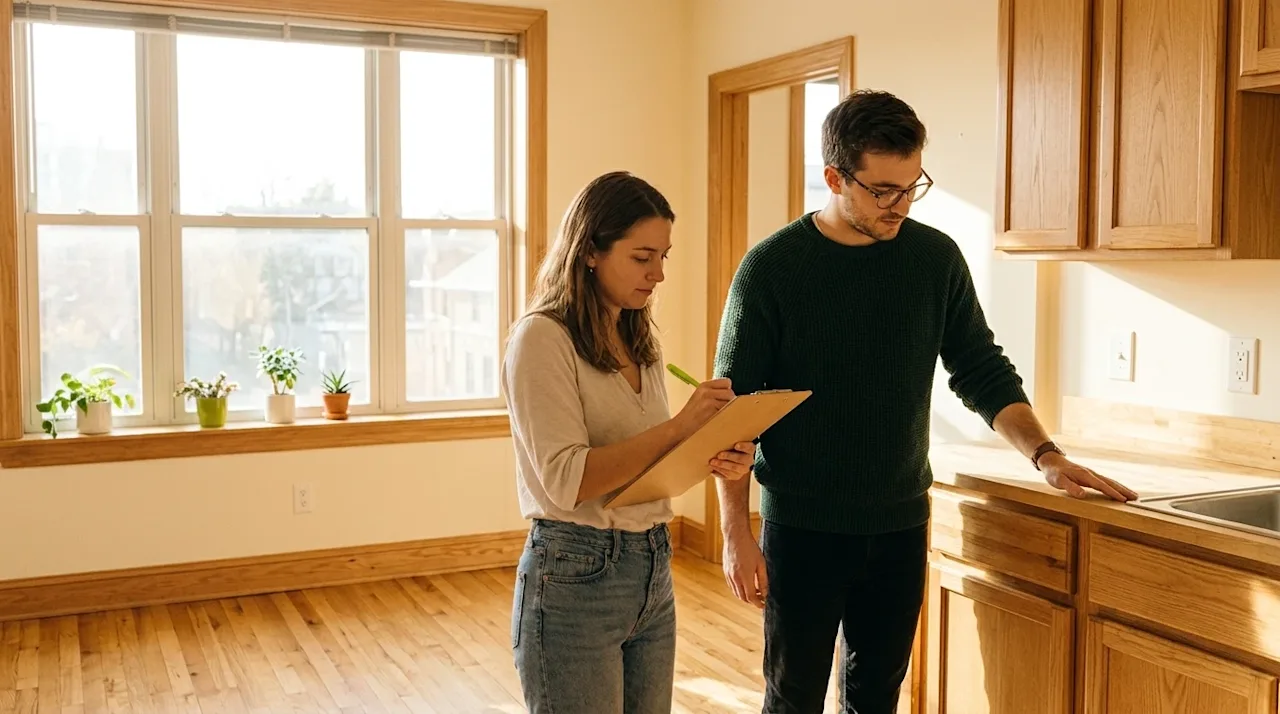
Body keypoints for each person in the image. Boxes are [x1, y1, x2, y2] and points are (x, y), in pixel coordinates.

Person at [712, 89, 1140, 714]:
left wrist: (1045, 454)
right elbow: (736, 414)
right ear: (834, 178)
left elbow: (981, 369)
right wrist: (733, 531)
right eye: (882, 190)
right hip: (803, 529)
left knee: (877, 697)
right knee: (792, 698)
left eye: (912, 186)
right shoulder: (772, 270)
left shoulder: (933, 259)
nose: (900, 204)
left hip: (900, 523)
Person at [501, 170, 755, 714]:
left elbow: (648, 463)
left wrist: (714, 452)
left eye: (664, 256)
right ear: (591, 250)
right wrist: (681, 428)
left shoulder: (638, 337)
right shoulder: (541, 337)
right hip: (574, 574)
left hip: (651, 567)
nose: (658, 274)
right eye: (642, 258)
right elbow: (567, 481)